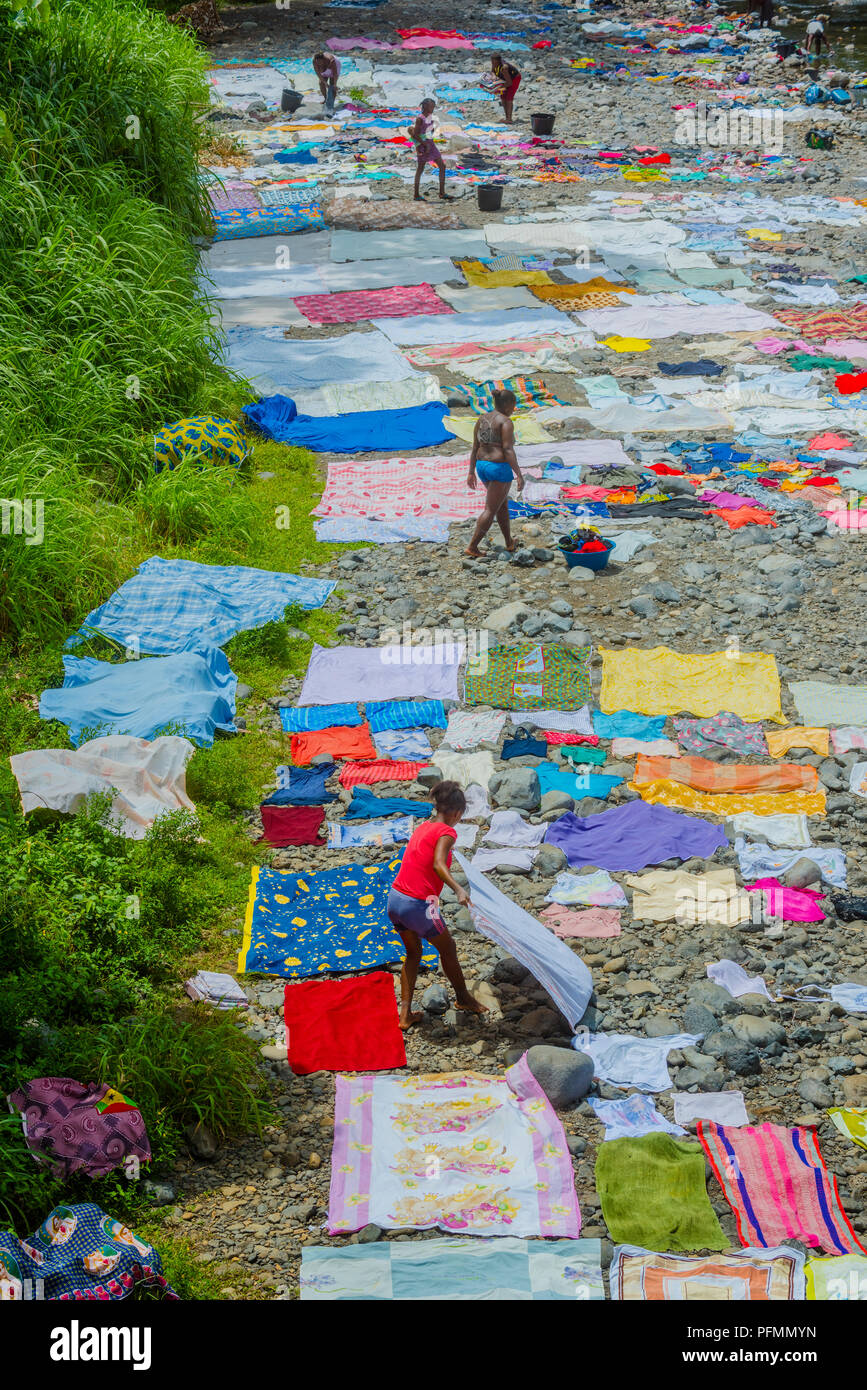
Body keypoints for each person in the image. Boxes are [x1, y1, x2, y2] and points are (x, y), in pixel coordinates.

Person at [387, 781, 487, 1030]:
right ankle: (463, 998)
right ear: (457, 813)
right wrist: (458, 888)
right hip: (418, 905)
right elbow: (438, 864)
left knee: (413, 953)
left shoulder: (424, 826)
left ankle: (405, 1015)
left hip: (395, 899)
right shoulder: (447, 832)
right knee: (448, 947)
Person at [465, 388, 524, 558]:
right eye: (513, 406)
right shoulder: (505, 422)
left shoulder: (482, 419)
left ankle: (509, 542)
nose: (513, 410)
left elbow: (475, 447)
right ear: (507, 405)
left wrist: (471, 472)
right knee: (491, 508)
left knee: (501, 504)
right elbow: (507, 449)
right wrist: (518, 474)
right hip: (498, 468)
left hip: (482, 466)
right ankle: (472, 546)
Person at [408, 98, 451, 200]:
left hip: (429, 143)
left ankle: (442, 193)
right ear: (425, 106)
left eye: (433, 106)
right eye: (431, 106)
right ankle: (416, 195)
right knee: (420, 169)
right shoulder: (420, 119)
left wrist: (430, 139)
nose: (433, 108)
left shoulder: (429, 116)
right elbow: (415, 135)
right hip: (422, 145)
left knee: (442, 166)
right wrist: (424, 145)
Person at [490, 53, 521, 124]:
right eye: (492, 62)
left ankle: (509, 119)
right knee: (503, 97)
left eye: (494, 63)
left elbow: (509, 83)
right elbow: (492, 71)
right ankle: (507, 117)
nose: (493, 64)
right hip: (505, 78)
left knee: (509, 97)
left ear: (498, 61)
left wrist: (497, 88)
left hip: (514, 79)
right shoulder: (495, 63)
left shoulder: (504, 68)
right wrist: (494, 76)